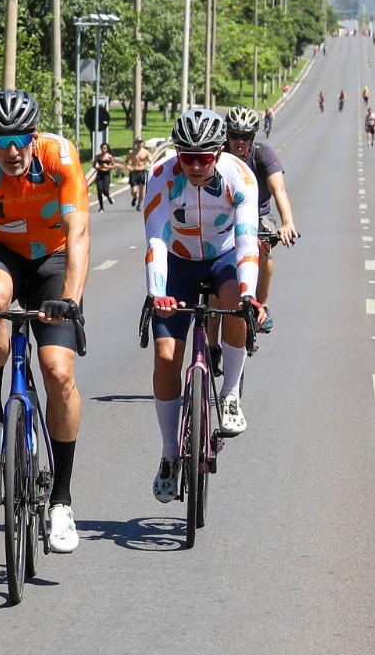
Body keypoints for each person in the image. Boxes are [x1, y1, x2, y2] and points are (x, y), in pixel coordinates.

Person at [0, 89, 90, 553]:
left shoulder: (60, 157)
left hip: (53, 257)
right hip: (2, 251)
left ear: (34, 135)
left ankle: (61, 501)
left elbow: (79, 232)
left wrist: (70, 299)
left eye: (20, 138)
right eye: (0, 138)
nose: (11, 150)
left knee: (58, 372)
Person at [145, 108, 266, 502]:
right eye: (187, 156)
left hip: (222, 257)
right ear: (177, 154)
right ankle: (168, 455)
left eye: (204, 156)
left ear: (218, 152)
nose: (195, 165)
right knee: (166, 356)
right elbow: (157, 242)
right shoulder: (162, 176)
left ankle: (229, 394)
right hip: (177, 262)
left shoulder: (239, 176)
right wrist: (156, 292)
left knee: (236, 304)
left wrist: (248, 293)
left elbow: (248, 239)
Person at [223, 107, 300, 334]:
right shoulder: (219, 155)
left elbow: (279, 190)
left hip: (258, 216)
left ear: (253, 137)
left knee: (262, 246)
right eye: (234, 135)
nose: (239, 141)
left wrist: (287, 223)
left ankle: (262, 306)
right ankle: (212, 344)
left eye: (245, 136)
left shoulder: (262, 154)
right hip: (224, 215)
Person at [126, 136, 152, 211]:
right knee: (133, 191)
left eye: (141, 142)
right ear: (136, 143)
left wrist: (150, 166)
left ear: (142, 143)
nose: (139, 143)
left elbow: (151, 160)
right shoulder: (131, 152)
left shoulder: (145, 152)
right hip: (134, 172)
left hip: (141, 172)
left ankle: (139, 204)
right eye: (138, 142)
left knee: (142, 190)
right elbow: (126, 162)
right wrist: (129, 168)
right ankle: (134, 197)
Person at [91, 142, 117, 210]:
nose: (103, 149)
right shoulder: (98, 156)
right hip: (99, 174)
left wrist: (107, 166)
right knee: (99, 190)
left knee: (105, 190)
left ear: (107, 149)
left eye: (105, 148)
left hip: (106, 174)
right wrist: (98, 167)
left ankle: (108, 197)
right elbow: (94, 165)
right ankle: (101, 207)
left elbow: (114, 166)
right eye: (102, 148)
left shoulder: (109, 156)